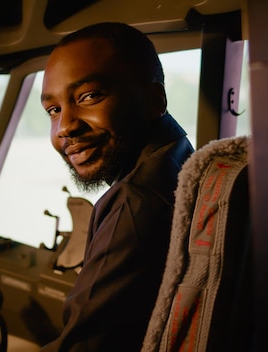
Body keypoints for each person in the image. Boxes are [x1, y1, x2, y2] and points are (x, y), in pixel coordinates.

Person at [40, 22, 194, 351]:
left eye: (89, 96)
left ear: (154, 100)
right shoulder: (178, 159)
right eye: (54, 110)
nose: (65, 127)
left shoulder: (133, 203)